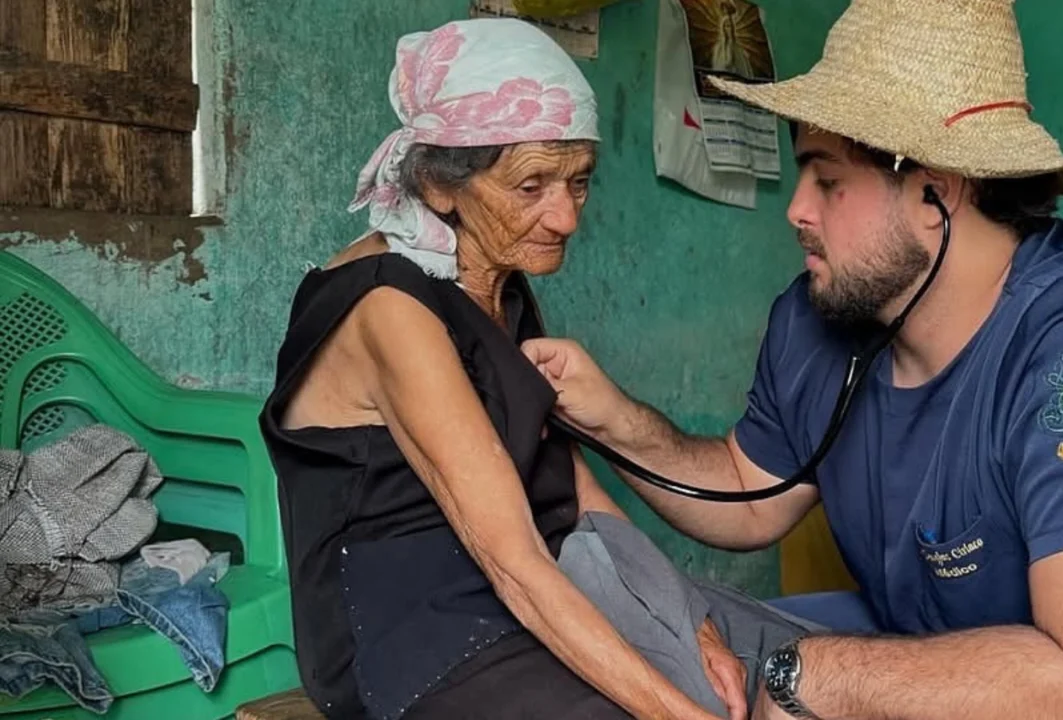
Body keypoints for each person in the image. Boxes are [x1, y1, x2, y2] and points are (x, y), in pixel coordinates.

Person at [521, 0, 1063, 718]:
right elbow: (750, 491)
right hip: (935, 645)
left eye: (827, 179)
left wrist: (819, 676)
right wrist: (611, 419)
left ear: (936, 193)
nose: (797, 212)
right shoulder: (819, 320)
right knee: (632, 630)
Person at [258, 19, 749, 720]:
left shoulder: (497, 279)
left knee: (746, 679)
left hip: (525, 586)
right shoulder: (387, 306)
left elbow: (576, 488)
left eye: (578, 183)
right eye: (531, 186)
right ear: (439, 185)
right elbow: (512, 559)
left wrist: (690, 627)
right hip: (413, 630)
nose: (566, 217)